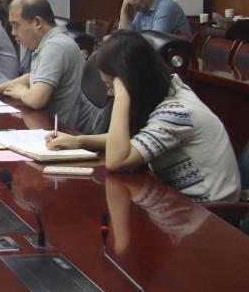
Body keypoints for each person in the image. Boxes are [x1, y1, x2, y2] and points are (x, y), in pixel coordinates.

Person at [47, 30, 239, 202]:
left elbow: (117, 160)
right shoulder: (164, 90)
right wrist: (78, 141)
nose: (109, 93)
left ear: (130, 81)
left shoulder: (176, 112)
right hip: (176, 200)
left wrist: (122, 96)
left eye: (111, 86)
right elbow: (126, 142)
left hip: (209, 213)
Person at [0, 0, 94, 130]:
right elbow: (33, 76)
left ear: (37, 23)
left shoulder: (55, 46)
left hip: (64, 132)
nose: (13, 32)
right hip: (47, 126)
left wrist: (21, 92)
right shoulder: (48, 42)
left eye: (16, 25)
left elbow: (36, 100)